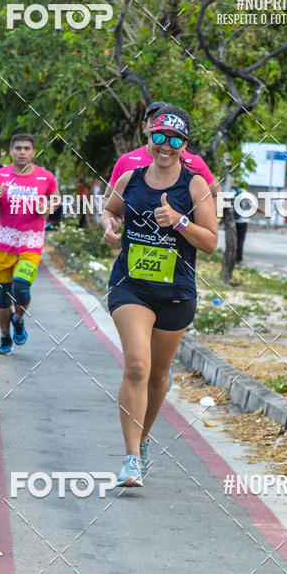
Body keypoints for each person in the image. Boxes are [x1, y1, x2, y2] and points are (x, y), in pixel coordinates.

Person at [101, 105, 217, 487]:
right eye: (159, 137)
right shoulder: (131, 177)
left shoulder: (195, 185)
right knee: (137, 365)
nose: (165, 146)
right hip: (130, 285)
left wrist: (180, 221)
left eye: (175, 140)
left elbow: (212, 242)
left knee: (159, 375)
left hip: (176, 292)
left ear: (184, 145)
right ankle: (131, 457)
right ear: (149, 137)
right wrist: (109, 226)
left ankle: (145, 436)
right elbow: (109, 210)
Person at [0, 134, 58, 354]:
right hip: (2, 244)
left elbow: (55, 199)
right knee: (3, 295)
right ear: (11, 151)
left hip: (30, 243)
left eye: (27, 148)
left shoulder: (45, 177)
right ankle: (5, 336)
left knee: (21, 286)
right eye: (18, 148)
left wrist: (46, 209)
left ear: (33, 152)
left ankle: (18, 318)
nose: (22, 152)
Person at [105, 101, 220, 202]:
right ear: (145, 126)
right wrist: (115, 222)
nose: (165, 123)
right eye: (156, 119)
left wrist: (199, 220)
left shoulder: (193, 161)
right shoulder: (126, 160)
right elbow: (108, 200)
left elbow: (216, 195)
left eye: (168, 119)